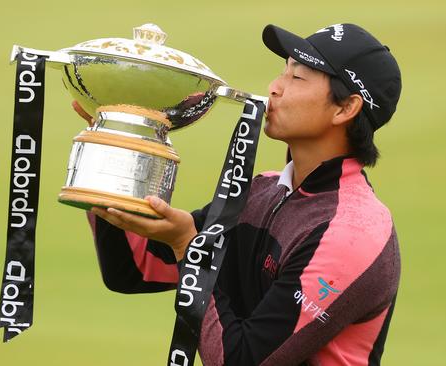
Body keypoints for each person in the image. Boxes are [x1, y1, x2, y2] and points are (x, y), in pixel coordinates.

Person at [80, 23, 402, 365]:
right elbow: (135, 269)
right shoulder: (262, 191)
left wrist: (189, 248)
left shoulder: (351, 233)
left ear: (345, 108)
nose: (274, 88)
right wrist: (120, 148)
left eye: (298, 78)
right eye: (283, 72)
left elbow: (240, 360)